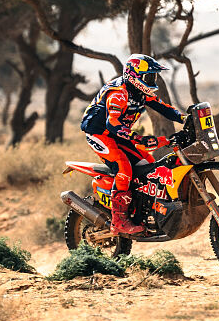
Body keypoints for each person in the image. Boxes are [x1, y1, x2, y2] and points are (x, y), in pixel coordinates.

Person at [79, 53, 186, 236]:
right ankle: (119, 220)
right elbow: (112, 123)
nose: (152, 80)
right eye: (148, 76)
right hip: (99, 134)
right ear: (133, 76)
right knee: (123, 166)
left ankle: (142, 210)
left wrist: (185, 118)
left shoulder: (141, 92)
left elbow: (163, 108)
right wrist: (137, 138)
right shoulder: (119, 94)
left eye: (153, 76)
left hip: (118, 135)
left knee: (148, 164)